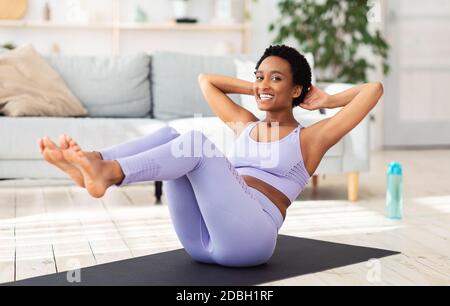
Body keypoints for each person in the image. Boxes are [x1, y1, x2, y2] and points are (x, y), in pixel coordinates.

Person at [38, 45, 384, 267]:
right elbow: (207, 82)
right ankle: (97, 163)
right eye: (259, 75)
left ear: (296, 90)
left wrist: (323, 100)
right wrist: (258, 87)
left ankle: (109, 172)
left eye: (276, 78)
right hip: (201, 241)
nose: (264, 83)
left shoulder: (310, 139)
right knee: (173, 137)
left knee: (196, 144)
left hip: (251, 239)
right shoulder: (246, 125)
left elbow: (373, 90)